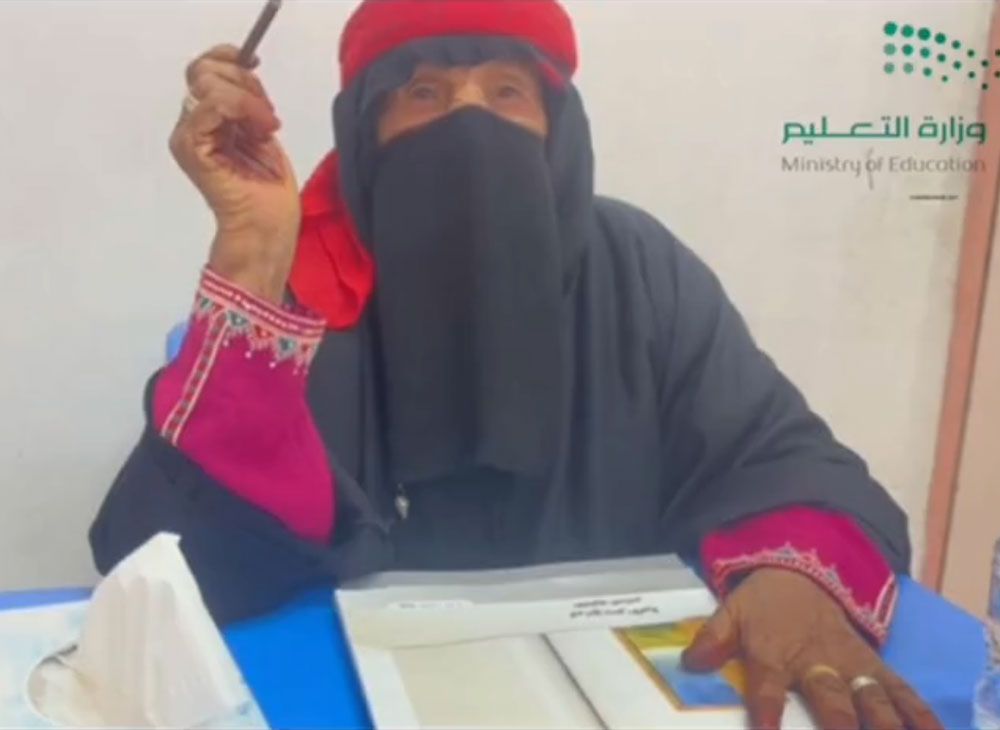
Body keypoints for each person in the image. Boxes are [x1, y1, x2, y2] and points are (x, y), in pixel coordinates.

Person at [88, 2, 940, 728]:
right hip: (349, 692)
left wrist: (790, 576)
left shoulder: (636, 267)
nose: (470, 124)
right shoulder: (304, 283)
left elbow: (771, 453)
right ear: (366, 132)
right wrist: (253, 252)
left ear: (557, 128)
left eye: (507, 92)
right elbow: (179, 566)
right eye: (423, 93)